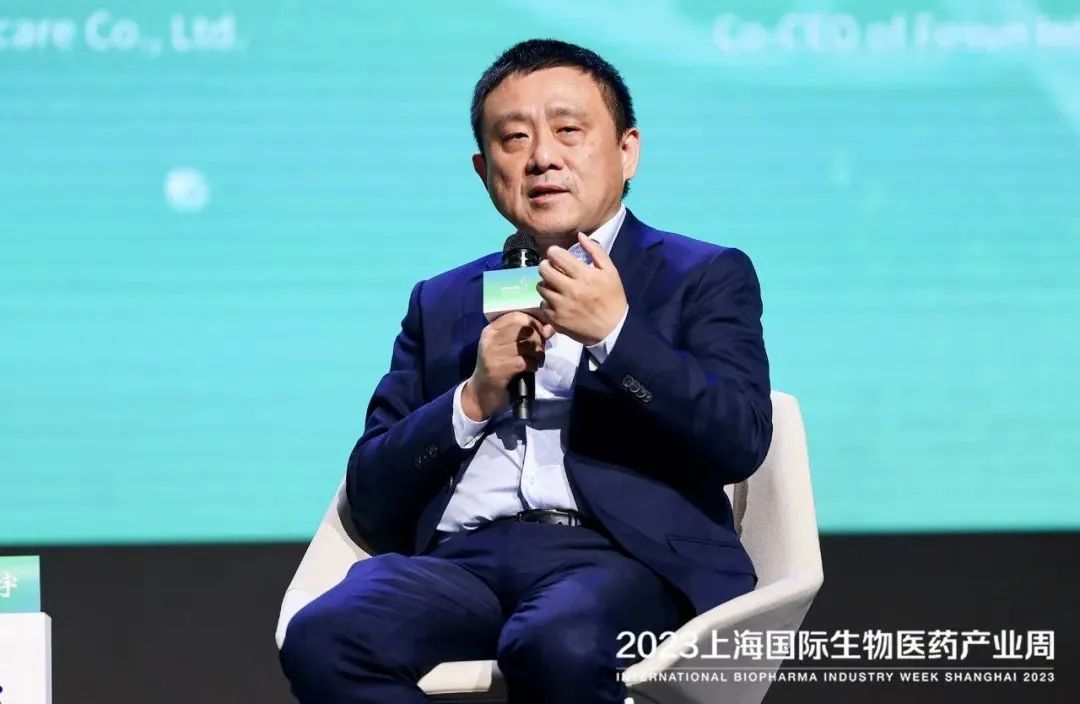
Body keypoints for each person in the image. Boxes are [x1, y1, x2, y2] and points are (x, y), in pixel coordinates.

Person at [279, 38, 772, 704]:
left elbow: (740, 438)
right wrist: (473, 398)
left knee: (556, 641)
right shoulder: (442, 300)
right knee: (325, 637)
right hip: (463, 563)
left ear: (627, 150)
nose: (542, 156)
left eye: (568, 130)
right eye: (514, 138)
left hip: (621, 560)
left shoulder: (701, 274)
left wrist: (617, 336)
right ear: (484, 170)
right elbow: (369, 495)